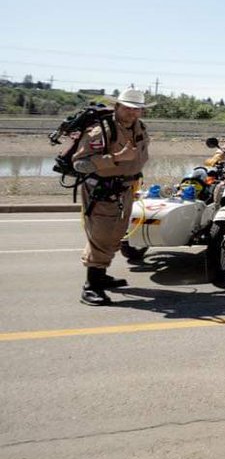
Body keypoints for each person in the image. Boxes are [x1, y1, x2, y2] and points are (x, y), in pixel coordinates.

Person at [76, 88, 152, 306]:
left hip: (125, 189)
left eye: (137, 109)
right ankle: (91, 287)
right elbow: (80, 164)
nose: (132, 113)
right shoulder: (100, 131)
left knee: (116, 234)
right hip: (102, 191)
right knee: (100, 236)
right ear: (117, 107)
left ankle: (101, 276)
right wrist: (115, 158)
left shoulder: (139, 127)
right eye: (127, 108)